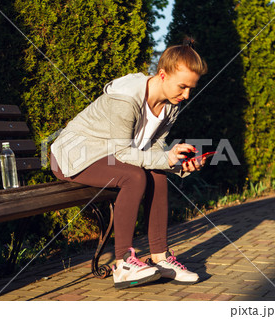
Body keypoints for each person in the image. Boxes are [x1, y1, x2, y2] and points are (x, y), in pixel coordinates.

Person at [50, 38, 208, 289]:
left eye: (191, 88)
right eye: (182, 86)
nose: (186, 94)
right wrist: (165, 158)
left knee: (157, 174)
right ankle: (123, 263)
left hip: (110, 157)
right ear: (163, 75)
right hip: (74, 156)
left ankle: (160, 258)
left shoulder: (170, 105)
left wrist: (177, 165)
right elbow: (122, 151)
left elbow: (153, 149)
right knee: (134, 177)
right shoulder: (126, 99)